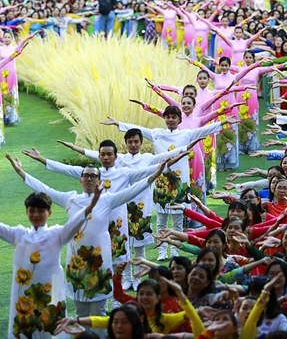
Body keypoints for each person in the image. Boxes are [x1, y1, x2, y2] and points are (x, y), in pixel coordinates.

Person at [6, 153, 169, 338]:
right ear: (80, 180)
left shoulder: (108, 199)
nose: (89, 179)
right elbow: (45, 189)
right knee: (80, 313)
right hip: (77, 265)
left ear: (100, 181)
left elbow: (133, 190)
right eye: (86, 175)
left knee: (99, 311)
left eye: (93, 176)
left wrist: (155, 175)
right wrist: (21, 172)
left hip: (100, 263)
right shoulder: (70, 199)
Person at [0, 186, 101, 339]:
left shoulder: (57, 233)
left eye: (41, 211)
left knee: (52, 326)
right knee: (26, 324)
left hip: (51, 289)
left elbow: (74, 223)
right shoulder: (19, 234)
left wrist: (91, 205)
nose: (36, 214)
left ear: (49, 213)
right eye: (32, 210)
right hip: (25, 291)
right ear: (26, 212)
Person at [101, 106, 238, 261]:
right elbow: (137, 130)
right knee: (161, 219)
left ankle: (174, 249)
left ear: (179, 119)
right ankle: (161, 251)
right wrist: (118, 123)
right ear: (164, 119)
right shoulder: (156, 134)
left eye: (174, 117)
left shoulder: (186, 134)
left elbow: (204, 130)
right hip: (160, 183)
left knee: (178, 219)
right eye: (168, 117)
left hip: (179, 182)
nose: (171, 120)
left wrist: (222, 123)